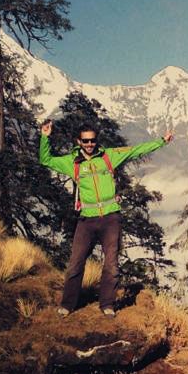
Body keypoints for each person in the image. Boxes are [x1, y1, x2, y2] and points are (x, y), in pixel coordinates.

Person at [39, 120, 173, 316]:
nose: (90, 144)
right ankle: (67, 305)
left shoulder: (109, 156)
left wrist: (162, 141)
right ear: (79, 142)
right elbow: (46, 160)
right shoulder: (72, 162)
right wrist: (44, 137)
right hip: (86, 219)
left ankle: (107, 305)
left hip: (111, 218)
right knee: (76, 263)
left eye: (92, 140)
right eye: (85, 141)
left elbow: (136, 150)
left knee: (111, 264)